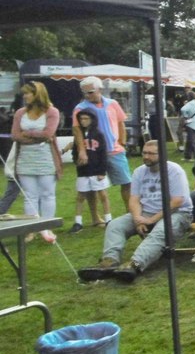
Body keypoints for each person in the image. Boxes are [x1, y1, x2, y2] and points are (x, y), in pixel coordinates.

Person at [81, 140, 192, 283]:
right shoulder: (139, 172)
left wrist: (151, 220)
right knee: (115, 225)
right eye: (144, 153)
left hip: (177, 213)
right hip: (145, 212)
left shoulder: (174, 171)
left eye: (151, 154)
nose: (146, 156)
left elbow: (177, 201)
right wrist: (138, 219)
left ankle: (134, 264)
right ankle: (109, 261)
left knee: (161, 231)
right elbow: (134, 199)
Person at [11, 81, 63, 243]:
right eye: (24, 93)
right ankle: (31, 229)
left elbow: (48, 133)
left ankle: (46, 228)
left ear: (37, 94)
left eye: (28, 93)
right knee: (29, 196)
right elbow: (15, 135)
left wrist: (27, 134)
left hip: (46, 159)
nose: (25, 96)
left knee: (47, 194)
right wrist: (35, 136)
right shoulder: (20, 113)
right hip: (25, 159)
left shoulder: (52, 112)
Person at [73, 76, 132, 210]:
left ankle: (130, 212)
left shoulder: (112, 103)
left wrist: (122, 142)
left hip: (114, 150)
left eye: (91, 92)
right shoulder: (80, 108)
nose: (87, 95)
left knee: (127, 182)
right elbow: (77, 130)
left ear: (100, 89)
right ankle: (96, 217)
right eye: (84, 93)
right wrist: (82, 151)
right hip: (92, 152)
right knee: (91, 186)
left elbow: (120, 122)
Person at [67, 107, 111, 233]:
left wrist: (102, 171)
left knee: (103, 195)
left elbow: (103, 153)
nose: (83, 121)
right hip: (83, 171)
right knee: (80, 196)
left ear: (92, 120)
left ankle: (108, 219)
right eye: (81, 118)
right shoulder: (79, 135)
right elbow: (75, 151)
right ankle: (78, 222)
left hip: (97, 170)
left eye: (86, 118)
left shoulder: (98, 134)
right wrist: (76, 161)